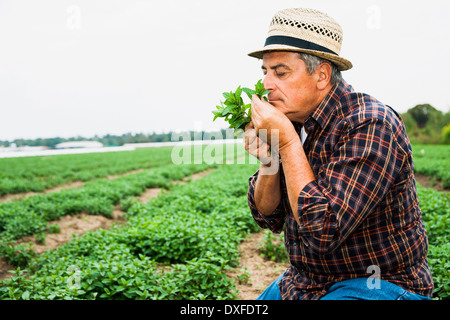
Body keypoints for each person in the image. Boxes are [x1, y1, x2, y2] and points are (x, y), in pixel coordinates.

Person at [244, 8, 433, 300]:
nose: (267, 84)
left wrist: (288, 145)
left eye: (280, 72)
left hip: (379, 283)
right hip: (306, 281)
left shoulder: (371, 124)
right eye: (265, 72)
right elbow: (268, 216)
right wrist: (270, 161)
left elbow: (323, 231)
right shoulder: (292, 121)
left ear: (321, 75)